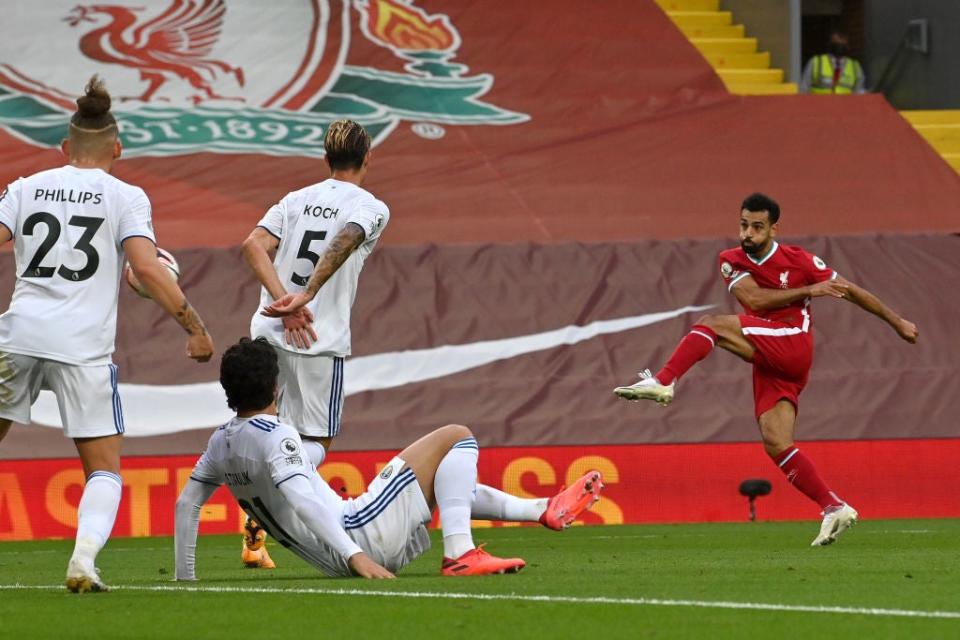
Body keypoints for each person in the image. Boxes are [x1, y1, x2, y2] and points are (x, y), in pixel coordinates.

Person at [0, 76, 214, 593]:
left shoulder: (24, 187)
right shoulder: (126, 196)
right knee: (104, 469)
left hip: (18, 335)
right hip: (82, 349)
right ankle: (84, 560)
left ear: (64, 148)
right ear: (117, 148)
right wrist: (196, 328)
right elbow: (147, 267)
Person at [613, 193, 917, 546]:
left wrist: (896, 321)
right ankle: (833, 506)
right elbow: (754, 300)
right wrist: (810, 289)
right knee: (776, 442)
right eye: (744, 225)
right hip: (771, 356)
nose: (748, 233)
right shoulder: (731, 260)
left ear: (774, 228)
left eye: (757, 227)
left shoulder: (798, 260)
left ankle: (663, 382)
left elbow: (848, 290)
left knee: (711, 324)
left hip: (792, 342)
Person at [175, 338, 603, 579]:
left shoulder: (221, 443)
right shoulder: (279, 435)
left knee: (443, 480)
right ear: (275, 388)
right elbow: (303, 500)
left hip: (338, 555)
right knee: (457, 438)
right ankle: (460, 553)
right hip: (360, 534)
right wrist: (355, 556)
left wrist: (185, 577)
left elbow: (187, 504)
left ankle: (539, 508)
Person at [239, 119, 389, 568]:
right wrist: (304, 297)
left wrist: (282, 301)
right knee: (315, 438)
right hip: (317, 342)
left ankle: (255, 535)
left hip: (269, 332)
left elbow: (253, 245)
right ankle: (263, 515)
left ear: (325, 159)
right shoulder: (371, 206)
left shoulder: (294, 199)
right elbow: (346, 240)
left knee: (263, 429)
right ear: (368, 159)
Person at [800, 30, 866, 95]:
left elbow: (858, 93)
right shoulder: (816, 62)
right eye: (836, 43)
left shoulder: (855, 66)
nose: (839, 45)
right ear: (830, 43)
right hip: (819, 105)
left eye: (842, 43)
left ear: (848, 45)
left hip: (844, 105)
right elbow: (804, 90)